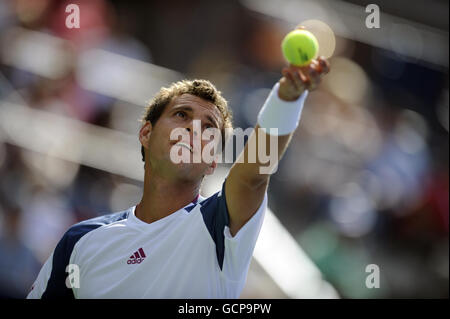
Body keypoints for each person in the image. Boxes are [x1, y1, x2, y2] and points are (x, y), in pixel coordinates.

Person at [27, 47, 330, 298]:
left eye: (209, 126)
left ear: (212, 162)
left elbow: (255, 173)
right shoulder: (80, 242)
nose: (194, 127)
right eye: (181, 114)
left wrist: (287, 99)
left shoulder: (219, 226)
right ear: (146, 134)